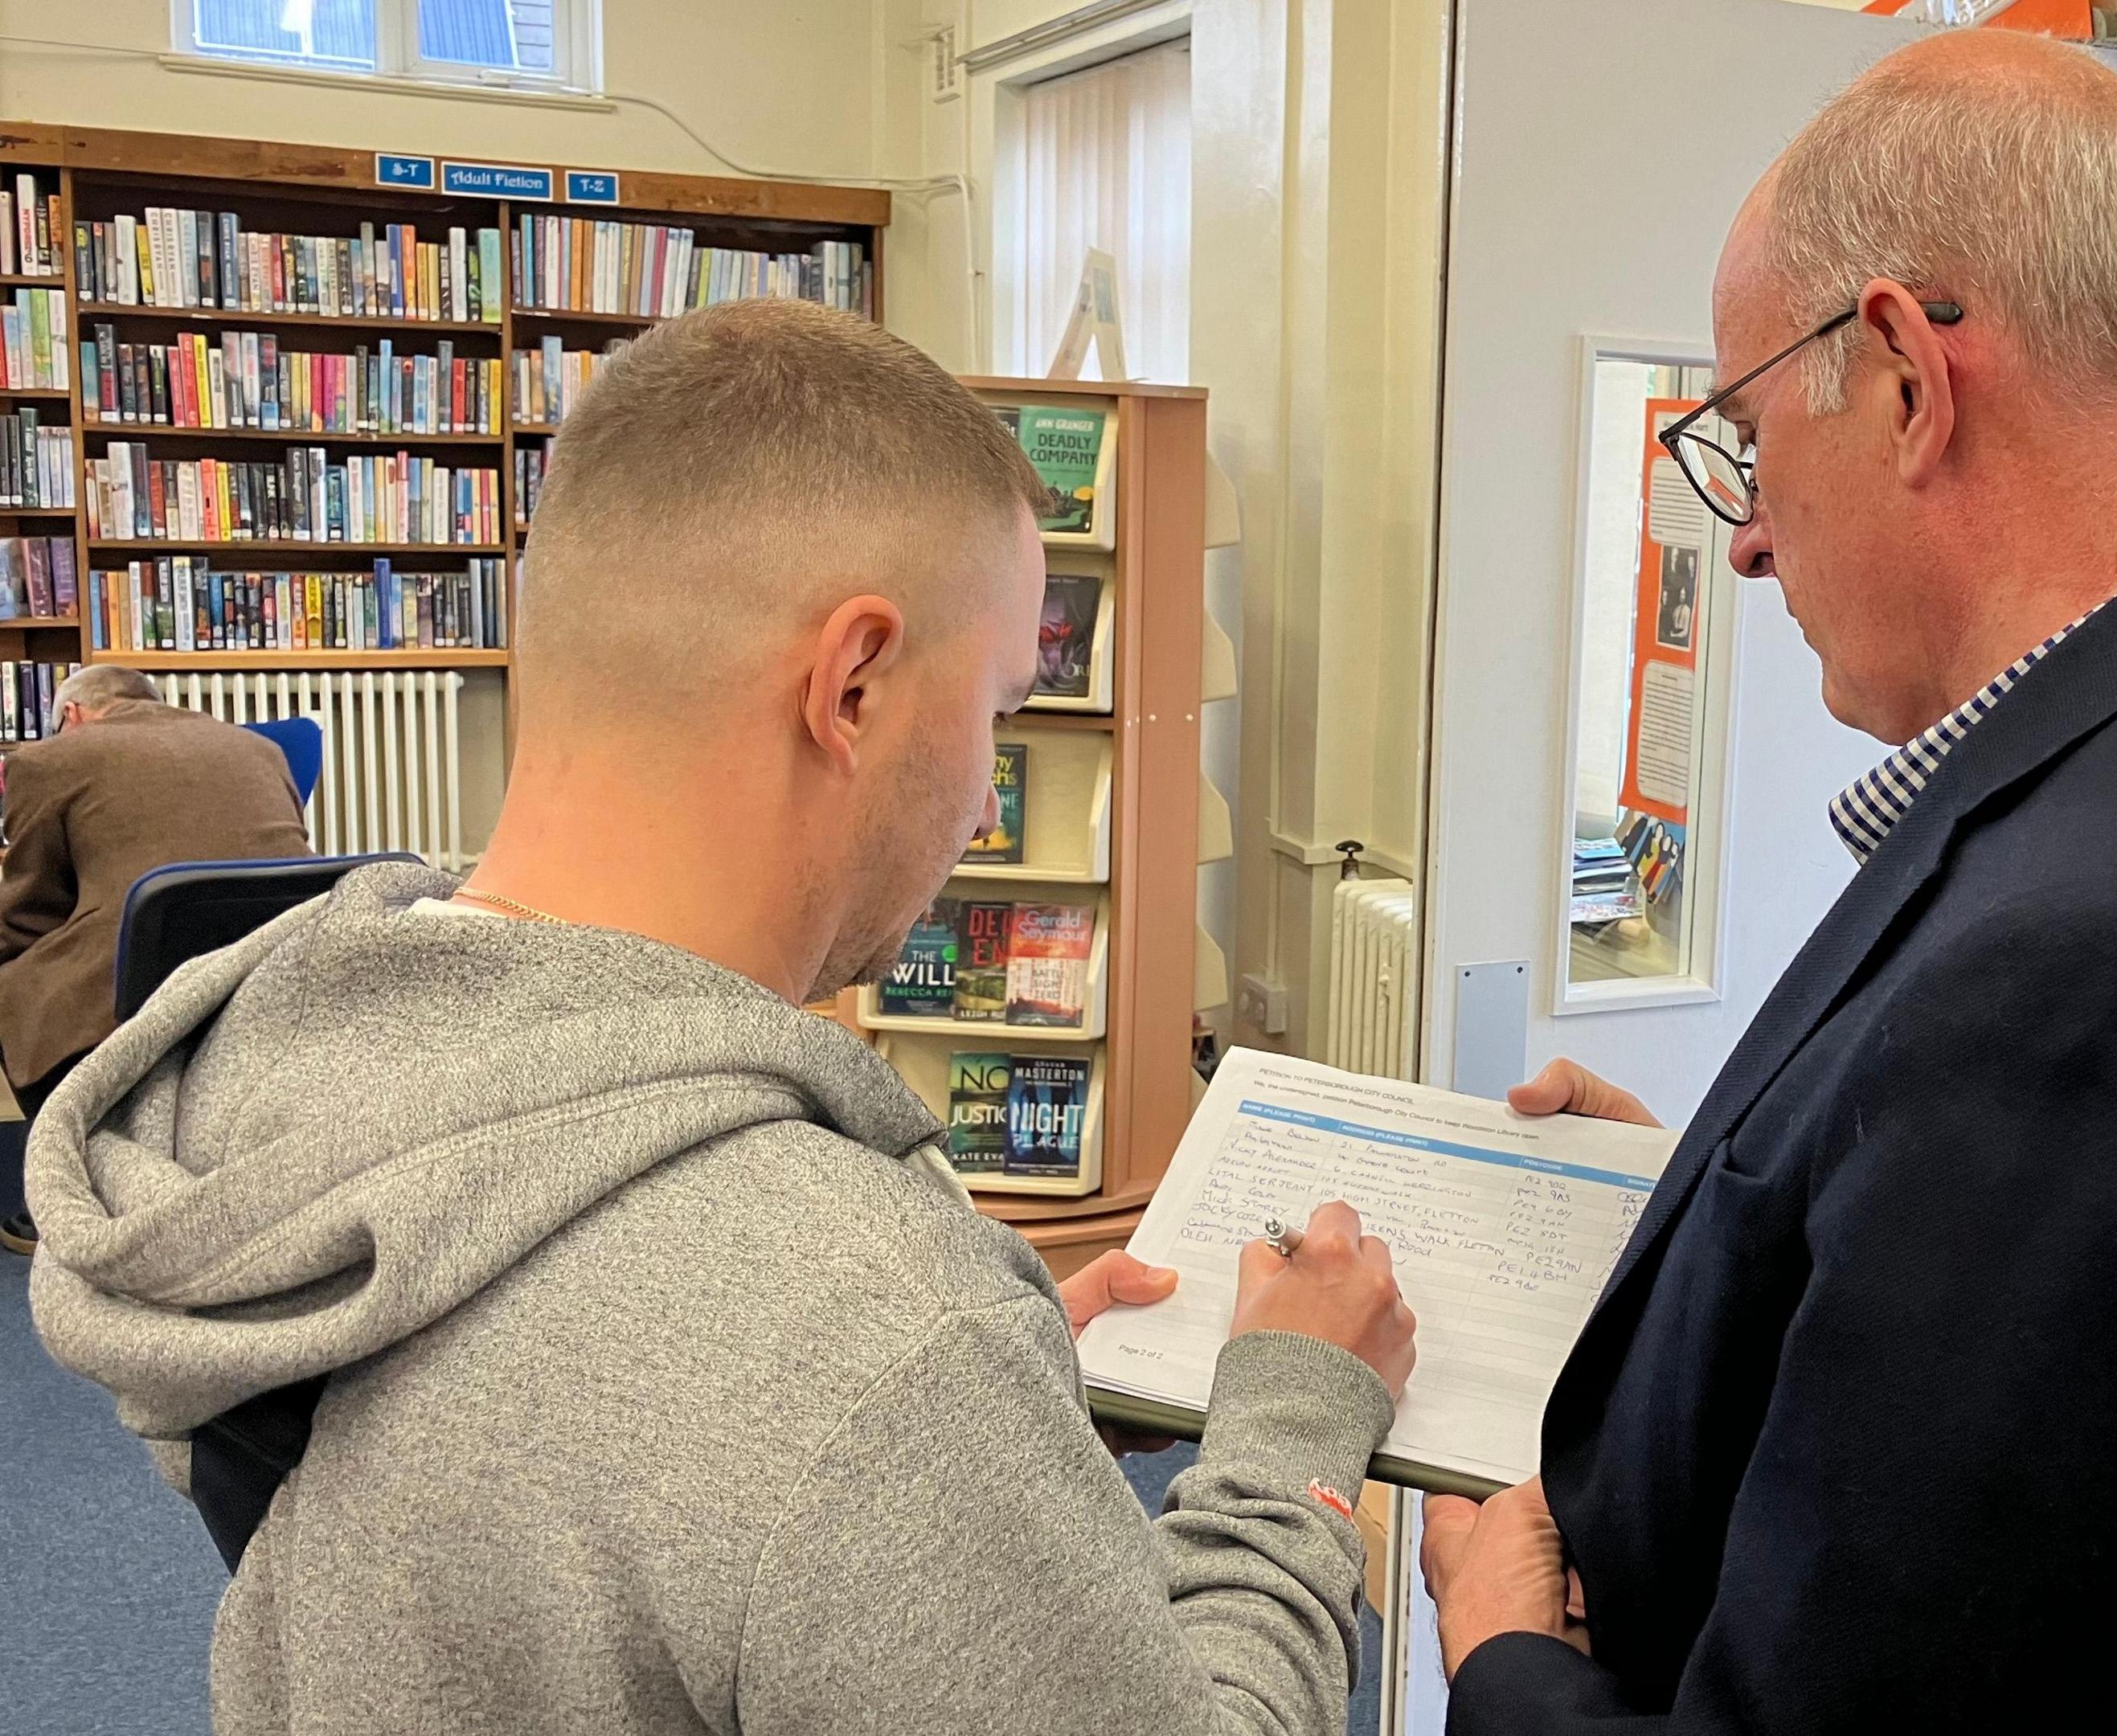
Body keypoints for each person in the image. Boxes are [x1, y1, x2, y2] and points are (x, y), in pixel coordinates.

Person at [27, 299, 1418, 1736]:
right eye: (996, 712)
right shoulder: (867, 1337)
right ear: (854, 686)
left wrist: (980, 1442)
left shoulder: (271, 1060)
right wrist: (1291, 1433)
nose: (984, 798)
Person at [1420, 34, 2117, 1733]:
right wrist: (1753, 1201)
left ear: (1899, 377)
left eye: (1743, 442)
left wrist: (1499, 1650)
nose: (1745, 540)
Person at [0, 665, 308, 1255]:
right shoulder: (259, 748)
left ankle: (68, 1192)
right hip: (278, 962)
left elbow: (31, 909)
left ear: (74, 714)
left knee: (20, 986)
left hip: (145, 970)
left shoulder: (46, 760)